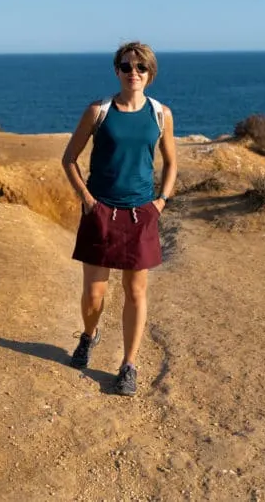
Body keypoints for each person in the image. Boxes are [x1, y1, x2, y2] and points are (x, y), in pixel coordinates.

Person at [60, 41, 177, 396]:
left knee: (135, 292)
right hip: (101, 212)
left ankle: (128, 365)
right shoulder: (99, 110)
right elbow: (69, 158)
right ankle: (89, 335)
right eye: (126, 67)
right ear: (117, 71)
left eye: (141, 68)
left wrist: (161, 202)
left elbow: (171, 162)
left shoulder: (160, 114)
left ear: (150, 74)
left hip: (141, 213)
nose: (133, 73)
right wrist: (87, 200)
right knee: (94, 295)